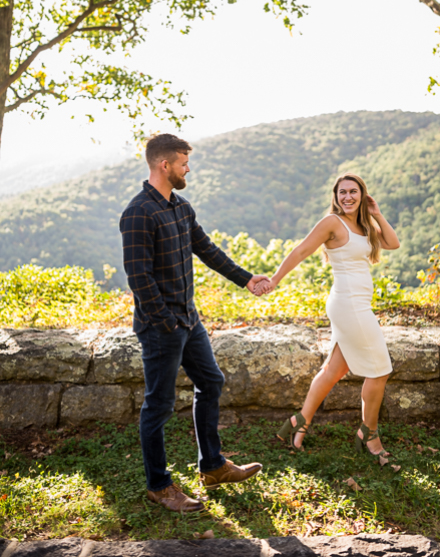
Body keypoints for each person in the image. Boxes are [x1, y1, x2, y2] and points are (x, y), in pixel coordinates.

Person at [120, 133, 272, 513]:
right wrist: (167, 323)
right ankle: (159, 486)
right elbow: (139, 278)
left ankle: (213, 467)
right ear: (163, 165)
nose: (189, 168)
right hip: (163, 327)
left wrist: (246, 278)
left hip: (190, 319)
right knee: (159, 405)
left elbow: (206, 249)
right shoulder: (138, 213)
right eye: (184, 162)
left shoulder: (181, 207)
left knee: (211, 382)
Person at [263, 172, 400, 458]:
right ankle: (368, 433)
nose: (348, 197)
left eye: (353, 192)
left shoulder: (362, 224)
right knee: (381, 370)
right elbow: (302, 251)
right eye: (342, 192)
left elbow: (392, 242)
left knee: (333, 371)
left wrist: (376, 213)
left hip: (356, 303)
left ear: (362, 195)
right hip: (349, 305)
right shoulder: (332, 223)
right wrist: (275, 280)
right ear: (335, 197)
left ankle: (299, 421)